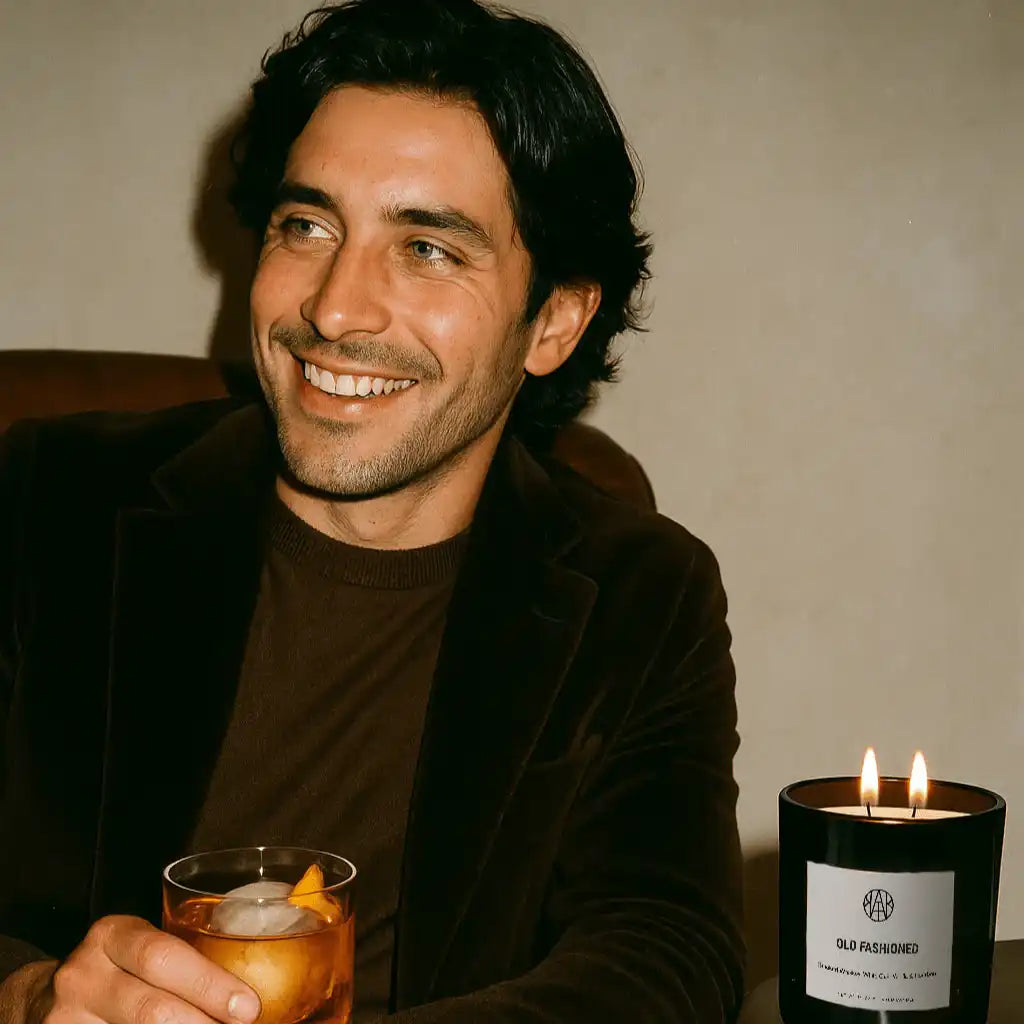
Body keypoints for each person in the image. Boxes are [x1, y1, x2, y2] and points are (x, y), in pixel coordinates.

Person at [0, 0, 744, 1022]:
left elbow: (667, 948)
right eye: (306, 225)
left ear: (556, 321)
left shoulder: (639, 592)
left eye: (428, 248)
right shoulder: (47, 499)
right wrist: (27, 992)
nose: (334, 308)